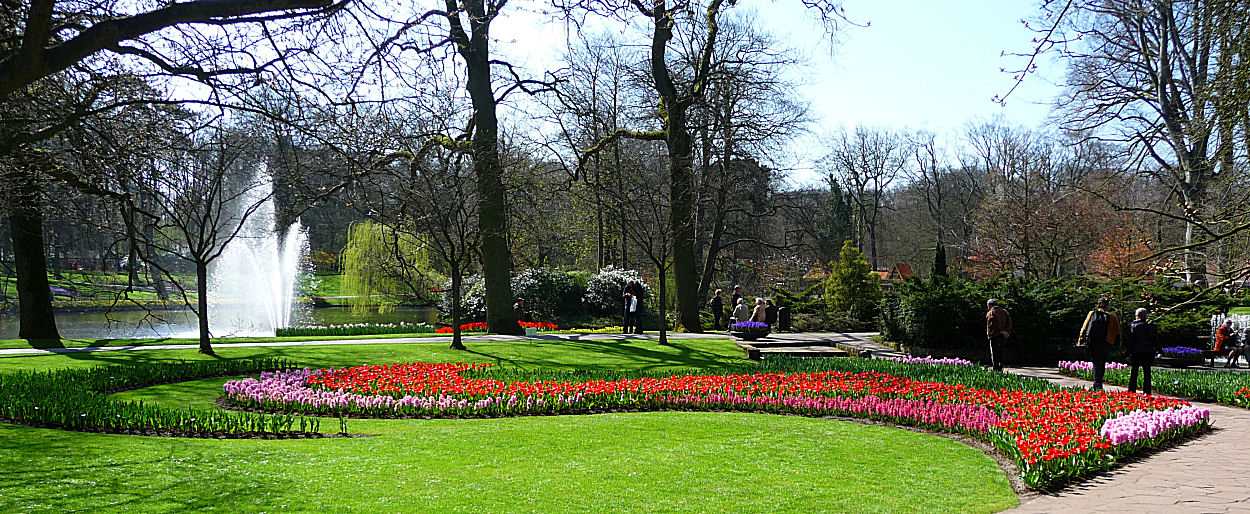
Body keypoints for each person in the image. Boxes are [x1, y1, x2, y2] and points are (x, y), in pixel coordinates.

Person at [1079, 297, 1121, 390]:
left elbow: (1084, 328)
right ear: (1107, 305)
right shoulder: (1113, 316)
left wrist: (1081, 340)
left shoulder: (1092, 313)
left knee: (1095, 362)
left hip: (1093, 342)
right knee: (1102, 363)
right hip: (1106, 342)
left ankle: (1096, 384)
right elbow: (1117, 331)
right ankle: (1098, 383)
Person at [1126, 307, 1158, 395]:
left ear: (1137, 316)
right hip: (1148, 352)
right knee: (1147, 372)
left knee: (1134, 371)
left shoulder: (1134, 326)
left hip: (1136, 352)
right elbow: (1155, 340)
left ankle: (1131, 390)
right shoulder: (1151, 326)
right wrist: (1158, 350)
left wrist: (1127, 353)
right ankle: (1147, 392)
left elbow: (1130, 341)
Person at [985, 299, 1013, 372]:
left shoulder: (991, 313)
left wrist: (999, 331)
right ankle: (1000, 367)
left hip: (995, 335)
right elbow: (1009, 322)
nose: (988, 307)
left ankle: (996, 369)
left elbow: (992, 324)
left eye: (988, 305)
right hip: (1004, 336)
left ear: (990, 305)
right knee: (1001, 352)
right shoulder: (1004, 311)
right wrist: (1006, 331)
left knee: (994, 353)